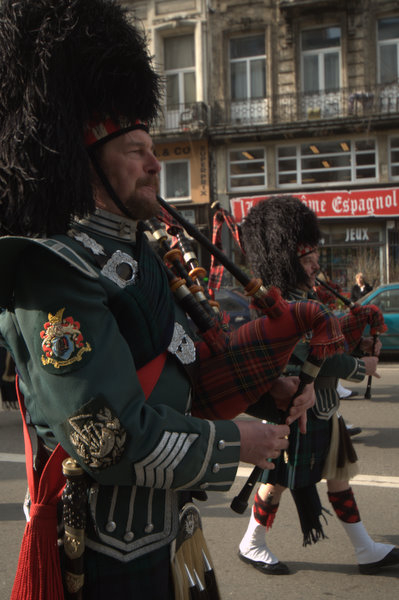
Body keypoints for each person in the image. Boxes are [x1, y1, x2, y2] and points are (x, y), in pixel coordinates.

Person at [0, 2, 314, 599]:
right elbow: (107, 440)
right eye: (136, 150)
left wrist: (265, 391)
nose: (155, 162)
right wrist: (236, 442)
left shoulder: (146, 256)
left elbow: (181, 371)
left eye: (152, 145)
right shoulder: (54, 269)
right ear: (87, 163)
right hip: (105, 556)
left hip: (168, 531)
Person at [238, 196, 399, 576]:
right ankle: (252, 542)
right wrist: (363, 365)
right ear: (289, 260)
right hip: (298, 409)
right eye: (308, 260)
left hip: (321, 407)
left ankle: (364, 549)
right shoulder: (280, 307)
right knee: (276, 482)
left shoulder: (300, 299)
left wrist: (358, 325)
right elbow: (320, 355)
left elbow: (329, 339)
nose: (315, 266)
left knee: (337, 478)